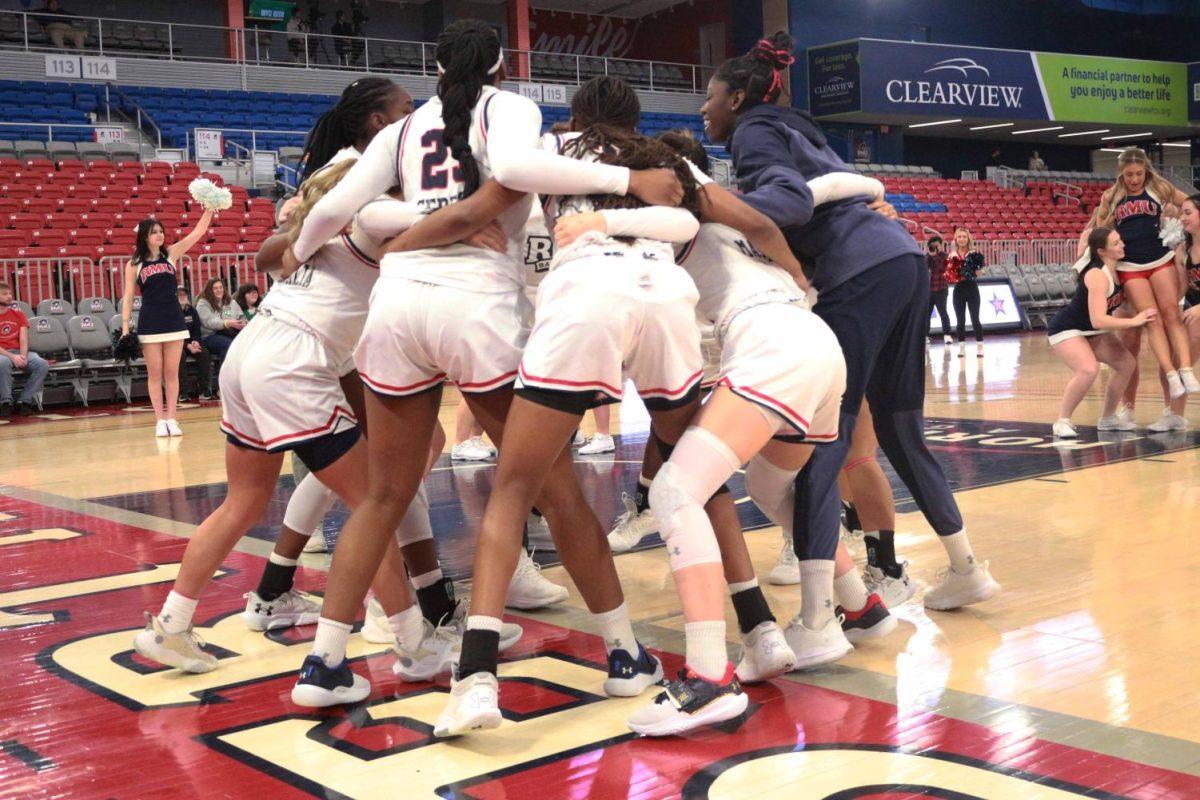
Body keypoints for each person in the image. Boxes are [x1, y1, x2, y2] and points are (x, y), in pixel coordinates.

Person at [278, 21, 686, 715]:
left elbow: (336, 209)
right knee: (550, 490)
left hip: (398, 301)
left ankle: (323, 663)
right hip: (476, 305)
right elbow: (522, 174)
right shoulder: (512, 108)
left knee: (382, 495)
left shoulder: (399, 133)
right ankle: (624, 650)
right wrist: (631, 178)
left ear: (434, 68)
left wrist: (296, 250)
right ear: (501, 64)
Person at [702, 33, 1000, 646]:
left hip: (856, 273)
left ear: (736, 98)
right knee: (899, 428)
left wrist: (714, 205)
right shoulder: (798, 126)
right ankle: (967, 569)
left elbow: (785, 200)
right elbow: (849, 183)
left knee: (822, 438)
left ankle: (817, 621)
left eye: (709, 99)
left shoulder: (753, 130)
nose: (703, 111)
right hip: (903, 260)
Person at [1080, 147, 1197, 400]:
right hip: (1130, 267)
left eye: (1139, 174)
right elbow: (1099, 232)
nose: (1134, 179)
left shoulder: (1159, 188)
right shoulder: (1111, 196)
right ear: (1121, 173)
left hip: (1160, 260)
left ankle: (1186, 371)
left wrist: (1176, 215)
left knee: (1171, 315)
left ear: (1146, 171)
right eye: (1129, 174)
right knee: (1151, 319)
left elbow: (1190, 204)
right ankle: (1170, 375)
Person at [1048, 228, 1154, 439]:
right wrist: (1134, 321)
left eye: (1120, 240)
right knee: (1088, 370)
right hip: (1069, 328)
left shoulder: (1119, 269)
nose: (1122, 245)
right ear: (1101, 251)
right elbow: (1098, 319)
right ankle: (1062, 421)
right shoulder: (1097, 274)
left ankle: (1107, 418)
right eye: (1115, 243)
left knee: (1127, 364)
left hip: (1092, 330)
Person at [122, 214, 213, 438]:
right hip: (149, 321)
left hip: (174, 319)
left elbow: (197, 233)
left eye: (161, 231)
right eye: (154, 232)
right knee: (155, 374)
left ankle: (172, 418)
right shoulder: (134, 263)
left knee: (172, 373)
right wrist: (125, 329)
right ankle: (159, 420)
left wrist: (210, 208)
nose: (159, 235)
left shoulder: (171, 254)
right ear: (144, 236)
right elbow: (127, 297)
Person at [0, 281, 48, 416]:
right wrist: (12, 357)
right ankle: (6, 402)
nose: (9, 296)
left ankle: (24, 401)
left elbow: (23, 339)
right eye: (4, 294)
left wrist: (22, 356)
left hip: (18, 351)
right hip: (3, 354)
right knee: (2, 363)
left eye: (10, 293)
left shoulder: (18, 314)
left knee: (41, 364)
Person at [945, 228, 985, 357]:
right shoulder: (952, 255)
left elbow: (979, 274)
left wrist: (974, 266)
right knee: (960, 320)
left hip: (972, 288)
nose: (962, 239)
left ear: (968, 239)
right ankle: (961, 347)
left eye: (964, 237)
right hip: (959, 289)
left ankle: (980, 346)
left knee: (975, 318)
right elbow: (949, 276)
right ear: (956, 239)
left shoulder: (975, 254)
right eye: (959, 237)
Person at [176, 287, 214, 402]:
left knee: (204, 353)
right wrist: (187, 345)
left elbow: (197, 329)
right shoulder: (171, 312)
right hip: (177, 344)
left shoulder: (192, 310)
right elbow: (173, 334)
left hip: (191, 343)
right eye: (179, 295)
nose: (182, 297)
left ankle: (203, 390)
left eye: (184, 295)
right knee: (179, 356)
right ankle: (183, 392)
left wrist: (196, 341)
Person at [195, 278, 246, 361]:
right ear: (209, 290)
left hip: (228, 332)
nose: (219, 290)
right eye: (215, 288)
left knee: (245, 342)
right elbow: (209, 322)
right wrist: (226, 323)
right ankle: (223, 372)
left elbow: (241, 316)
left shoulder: (230, 302)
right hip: (209, 336)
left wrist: (242, 322)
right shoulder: (203, 303)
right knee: (229, 344)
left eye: (220, 287)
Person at [926, 236, 952, 345]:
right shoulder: (928, 256)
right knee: (926, 314)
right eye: (933, 246)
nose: (935, 248)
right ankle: (925, 336)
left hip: (941, 288)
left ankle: (947, 335)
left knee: (943, 313)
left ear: (941, 245)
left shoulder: (946, 256)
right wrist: (928, 256)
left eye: (937, 245)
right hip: (929, 289)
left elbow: (942, 268)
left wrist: (935, 256)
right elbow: (924, 266)